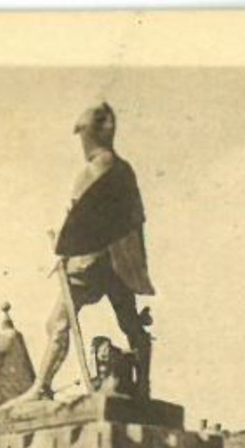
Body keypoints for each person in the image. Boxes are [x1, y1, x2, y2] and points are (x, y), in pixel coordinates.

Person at [34, 102, 155, 401]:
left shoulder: (94, 169)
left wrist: (61, 244)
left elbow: (79, 218)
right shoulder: (124, 170)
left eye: (82, 137)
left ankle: (41, 387)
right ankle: (143, 386)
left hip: (88, 262)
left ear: (91, 135)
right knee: (130, 323)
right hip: (120, 262)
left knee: (57, 323)